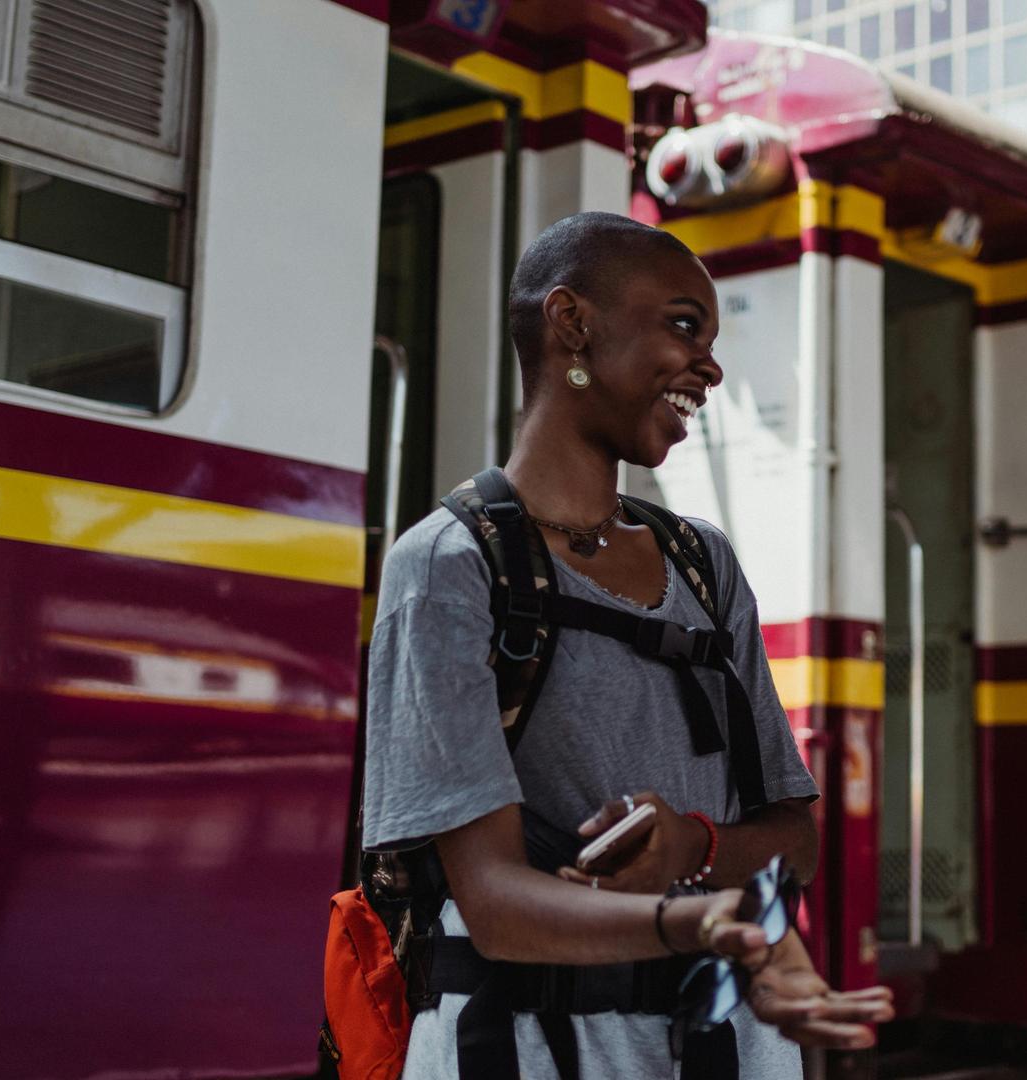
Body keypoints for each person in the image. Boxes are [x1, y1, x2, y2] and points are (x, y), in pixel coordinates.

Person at [361, 211, 892, 1079]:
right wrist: (693, 921)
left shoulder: (703, 561)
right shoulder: (448, 566)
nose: (711, 367)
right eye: (684, 326)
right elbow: (493, 907)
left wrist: (696, 849)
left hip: (723, 1051)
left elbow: (795, 838)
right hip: (528, 1051)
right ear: (572, 323)